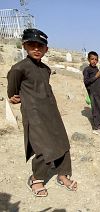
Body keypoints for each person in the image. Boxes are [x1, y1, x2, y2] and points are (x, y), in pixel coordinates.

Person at [7, 28, 77, 197]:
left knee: (62, 142)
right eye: (32, 45)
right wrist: (13, 98)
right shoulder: (18, 69)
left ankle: (62, 174)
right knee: (43, 146)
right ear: (25, 46)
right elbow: (13, 92)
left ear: (46, 49)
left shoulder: (45, 69)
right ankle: (36, 179)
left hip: (51, 112)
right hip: (34, 114)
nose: (36, 49)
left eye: (40, 46)